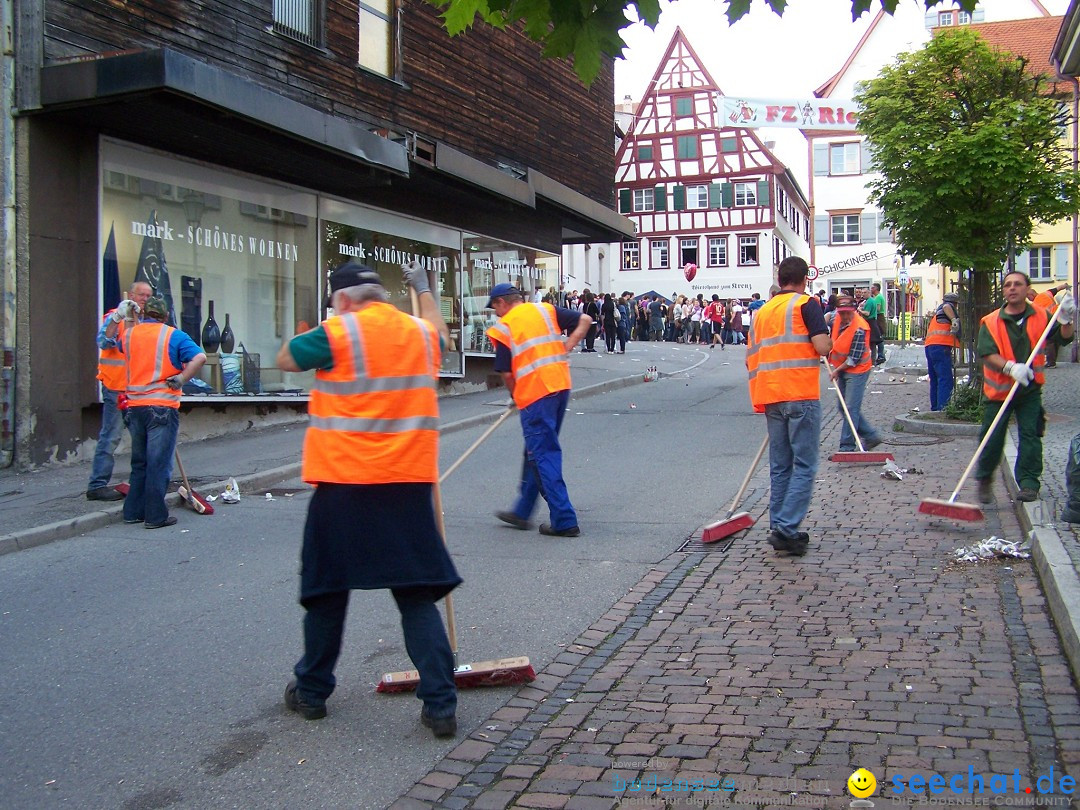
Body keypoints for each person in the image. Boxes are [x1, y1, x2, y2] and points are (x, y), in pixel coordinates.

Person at [276, 261, 461, 737]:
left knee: (326, 592)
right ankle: (440, 705)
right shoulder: (419, 334)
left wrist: (325, 323)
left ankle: (312, 692)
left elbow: (287, 359)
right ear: (381, 295)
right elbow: (442, 338)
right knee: (416, 596)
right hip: (406, 484)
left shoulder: (338, 333)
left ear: (341, 300)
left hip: (343, 486)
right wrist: (422, 290)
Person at [488, 283, 592, 537]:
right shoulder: (545, 310)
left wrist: (516, 396)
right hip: (559, 385)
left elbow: (508, 372)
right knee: (535, 450)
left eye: (494, 307)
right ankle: (522, 511)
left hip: (535, 393)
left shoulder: (506, 326)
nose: (495, 313)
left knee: (542, 453)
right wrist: (569, 345)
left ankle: (564, 519)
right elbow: (586, 319)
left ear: (502, 302)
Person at [746, 256, 831, 556]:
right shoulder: (806, 304)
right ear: (804, 278)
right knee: (805, 464)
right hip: (800, 392)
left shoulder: (762, 311)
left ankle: (779, 525)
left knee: (780, 466)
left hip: (771, 394)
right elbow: (822, 347)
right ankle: (786, 526)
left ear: (780, 278)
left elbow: (751, 356)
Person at [103, 295, 205, 529]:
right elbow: (199, 357)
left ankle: (133, 511)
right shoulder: (173, 335)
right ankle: (156, 516)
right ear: (167, 315)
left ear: (145, 314)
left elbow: (113, 340)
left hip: (135, 408)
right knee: (158, 463)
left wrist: (123, 317)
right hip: (161, 408)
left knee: (140, 463)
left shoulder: (130, 334)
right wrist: (180, 378)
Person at [974, 271, 1075, 504]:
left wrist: (1068, 318)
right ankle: (985, 478)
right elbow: (987, 354)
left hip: (1029, 391)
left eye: (1017, 284)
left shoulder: (1042, 316)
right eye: (1007, 285)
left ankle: (1029, 483)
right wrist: (1010, 368)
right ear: (1003, 291)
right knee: (991, 437)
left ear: (1027, 289)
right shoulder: (991, 321)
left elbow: (1064, 338)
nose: (1012, 288)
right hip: (999, 391)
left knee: (1031, 434)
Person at [88, 280, 153, 501]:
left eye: (148, 296)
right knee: (111, 436)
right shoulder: (116, 317)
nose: (145, 299)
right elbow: (104, 342)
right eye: (141, 294)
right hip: (116, 387)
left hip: (135, 388)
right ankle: (97, 485)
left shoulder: (142, 321)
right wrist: (116, 319)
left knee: (139, 436)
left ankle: (139, 483)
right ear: (131, 295)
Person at [827, 295, 882, 452]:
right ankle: (871, 436)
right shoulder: (837, 320)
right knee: (842, 406)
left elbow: (853, 359)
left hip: (858, 370)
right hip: (844, 369)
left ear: (854, 311)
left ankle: (846, 446)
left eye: (847, 313)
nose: (844, 316)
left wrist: (836, 371)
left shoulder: (859, 327)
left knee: (850, 408)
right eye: (841, 312)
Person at [924, 292, 961, 411]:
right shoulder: (946, 307)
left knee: (934, 379)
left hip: (930, 346)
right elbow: (947, 306)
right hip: (941, 346)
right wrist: (954, 320)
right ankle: (943, 409)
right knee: (945, 379)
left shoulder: (937, 314)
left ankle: (935, 408)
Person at [1033, 283, 1071, 367]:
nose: (1029, 299)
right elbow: (1057, 288)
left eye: (1028, 297)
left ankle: (1051, 363)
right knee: (1055, 341)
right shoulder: (1046, 294)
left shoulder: (1035, 303)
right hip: (1059, 317)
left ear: (1031, 294)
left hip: (1051, 321)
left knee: (1049, 341)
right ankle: (1052, 361)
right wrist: (1065, 286)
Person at [860, 283, 886, 365]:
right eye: (862, 292)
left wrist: (860, 309)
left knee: (875, 341)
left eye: (865, 292)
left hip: (873, 321)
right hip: (874, 320)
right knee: (875, 341)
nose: (863, 294)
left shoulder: (875, 299)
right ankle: (875, 358)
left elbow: (869, 312)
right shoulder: (873, 299)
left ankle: (877, 358)